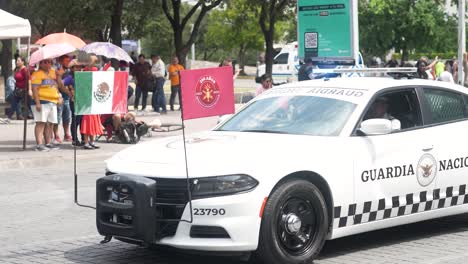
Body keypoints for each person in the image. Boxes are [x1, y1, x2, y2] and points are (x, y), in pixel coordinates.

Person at [31, 59, 61, 151]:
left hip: (52, 101)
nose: (47, 64)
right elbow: (35, 89)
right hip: (42, 100)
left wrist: (59, 96)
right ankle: (39, 144)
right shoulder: (36, 74)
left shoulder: (53, 73)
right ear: (40, 63)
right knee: (41, 123)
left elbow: (57, 86)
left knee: (50, 123)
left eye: (49, 62)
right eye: (44, 62)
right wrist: (37, 103)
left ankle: (48, 142)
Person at [64, 59, 85, 146]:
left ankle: (84, 139)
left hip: (84, 101)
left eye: (80, 67)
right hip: (75, 101)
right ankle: (75, 139)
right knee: (76, 120)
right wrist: (69, 93)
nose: (79, 68)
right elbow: (61, 84)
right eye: (76, 67)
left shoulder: (83, 76)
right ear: (72, 68)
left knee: (83, 121)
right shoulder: (70, 77)